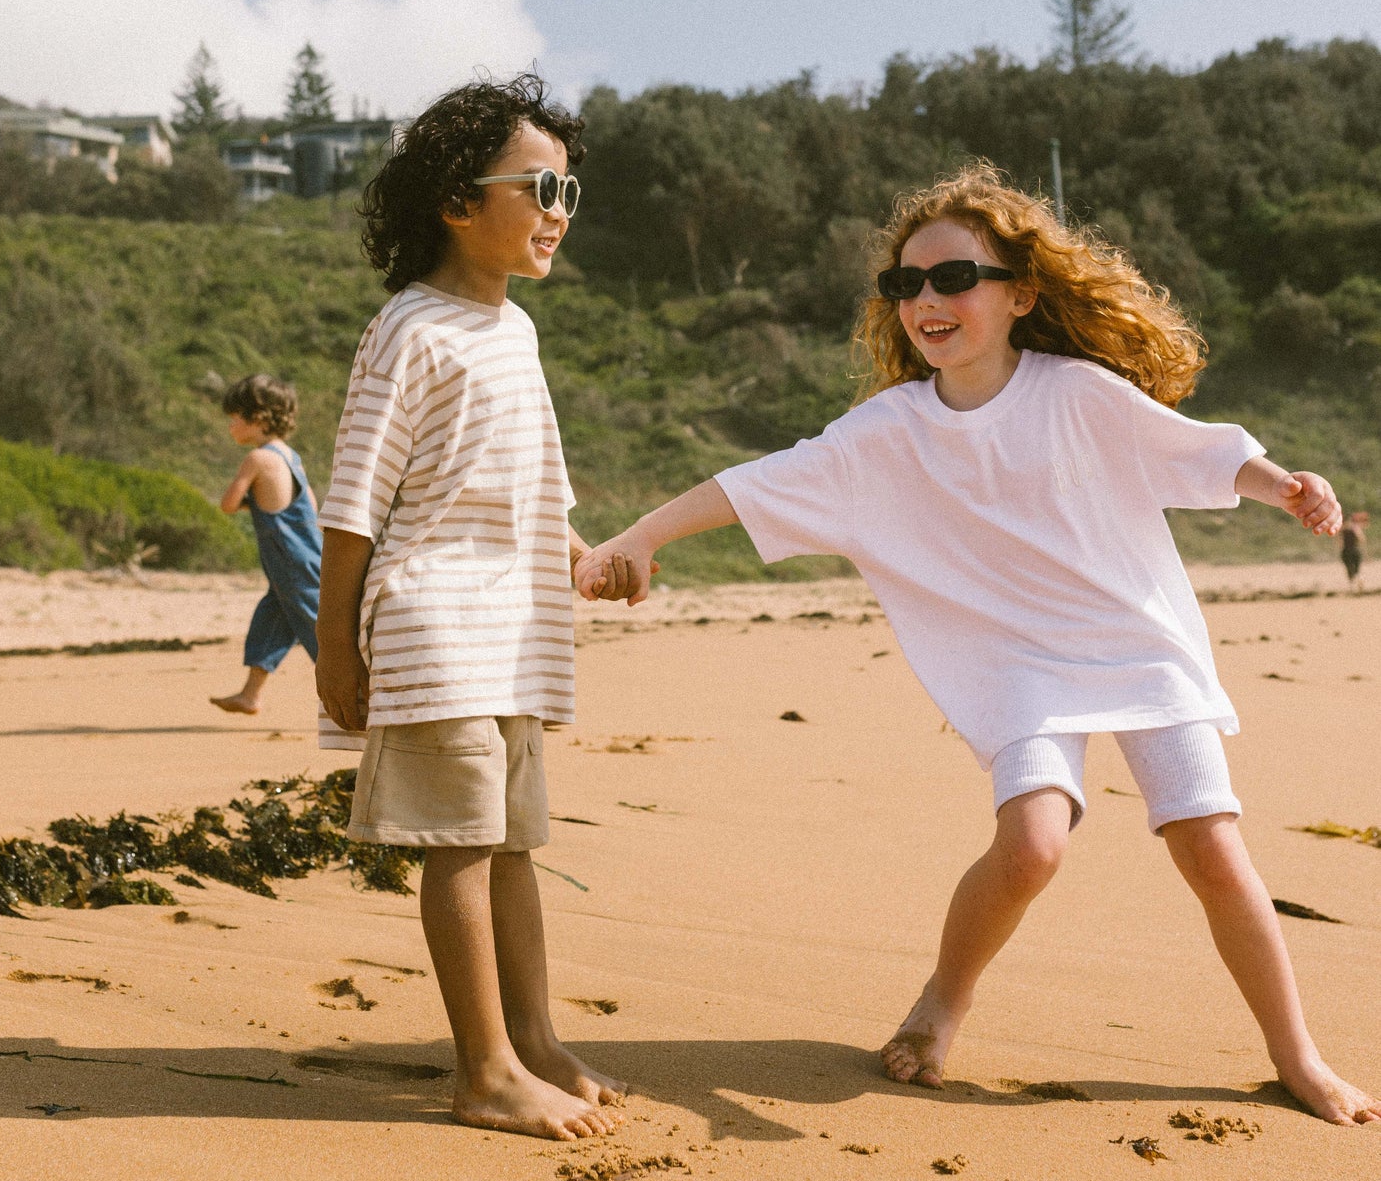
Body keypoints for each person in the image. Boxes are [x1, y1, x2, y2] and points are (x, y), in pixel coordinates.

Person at [577, 164, 1379, 1126]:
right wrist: (639, 538)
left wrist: (1281, 483)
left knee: (1210, 844)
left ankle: (1296, 1055)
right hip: (1017, 667)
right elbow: (758, 484)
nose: (926, 300)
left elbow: (1195, 451)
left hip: (1135, 645)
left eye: (954, 278)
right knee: (1033, 843)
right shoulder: (888, 432)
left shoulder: (1077, 393)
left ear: (1019, 294)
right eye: (905, 285)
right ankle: (941, 1002)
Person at [314, 73, 624, 1143]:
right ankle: (481, 1066)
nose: (556, 210)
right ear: (456, 197)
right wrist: (332, 652)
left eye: (569, 192)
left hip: (516, 628)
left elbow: (533, 476)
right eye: (538, 186)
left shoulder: (516, 332)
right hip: (433, 621)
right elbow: (351, 503)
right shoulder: (409, 327)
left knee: (511, 842)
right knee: (457, 841)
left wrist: (589, 552)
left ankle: (531, 1038)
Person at [211, 374, 322, 716]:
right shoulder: (291, 456)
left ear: (256, 419)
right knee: (272, 620)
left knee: (317, 629)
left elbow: (228, 503)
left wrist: (249, 501)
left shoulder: (257, 460)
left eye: (234, 418)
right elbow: (310, 507)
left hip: (289, 561)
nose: (230, 425)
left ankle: (360, 694)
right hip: (306, 556)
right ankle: (250, 694)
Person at [1340, 511, 1368, 587]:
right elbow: (1361, 539)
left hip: (1346, 550)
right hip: (1354, 549)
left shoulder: (1342, 529)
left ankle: (1352, 586)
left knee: (1349, 569)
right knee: (1356, 569)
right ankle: (1358, 583)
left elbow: (1339, 542)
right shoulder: (1355, 528)